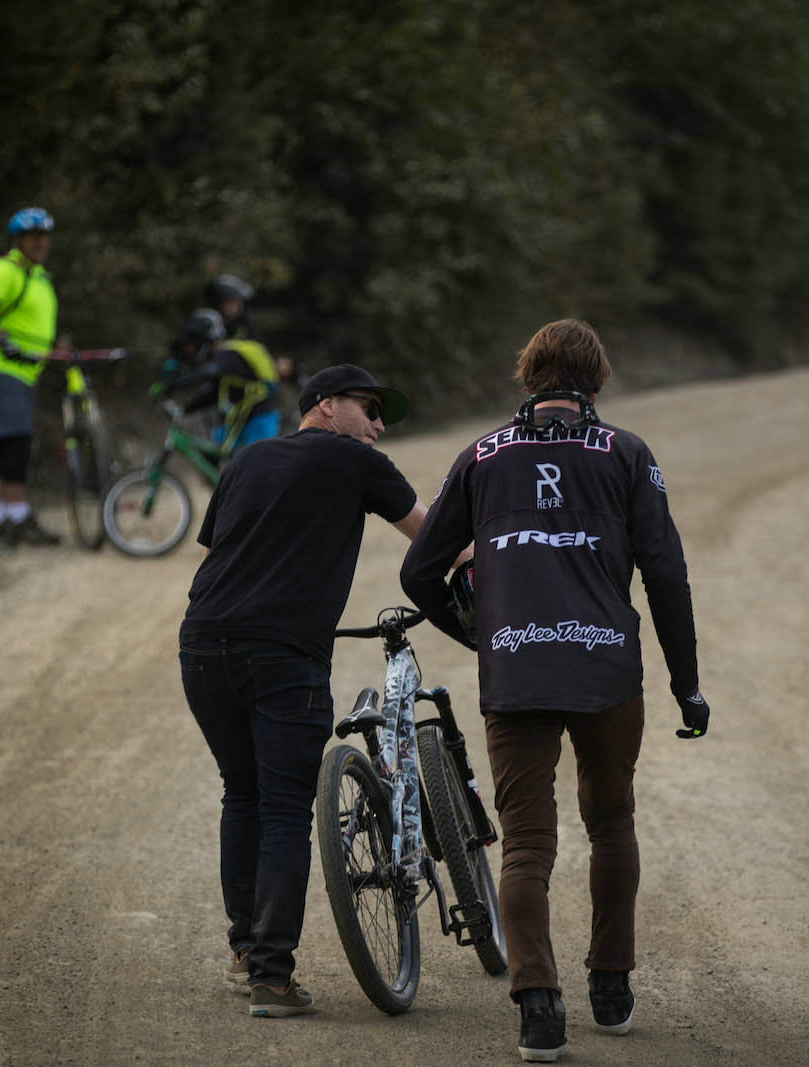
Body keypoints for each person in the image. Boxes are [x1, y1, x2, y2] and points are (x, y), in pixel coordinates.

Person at [399, 319, 708, 1062]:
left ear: (528, 377)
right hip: (606, 670)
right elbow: (665, 573)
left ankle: (538, 1007)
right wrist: (686, 683)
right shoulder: (628, 454)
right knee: (611, 821)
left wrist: (477, 630)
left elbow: (417, 574)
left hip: (517, 668)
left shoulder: (480, 456)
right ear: (596, 379)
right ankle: (611, 987)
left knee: (527, 846)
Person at [179, 364, 427, 1018]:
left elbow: (208, 561)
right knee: (286, 804)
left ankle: (244, 953)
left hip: (202, 644)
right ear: (323, 404)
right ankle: (272, 976)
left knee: (244, 791)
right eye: (369, 408)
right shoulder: (355, 462)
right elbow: (432, 538)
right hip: (282, 654)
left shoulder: (246, 461)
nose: (377, 424)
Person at [0, 207, 66, 546]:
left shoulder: (40, 277)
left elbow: (32, 326)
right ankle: (10, 520)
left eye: (44, 236)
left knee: (13, 442)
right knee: (16, 441)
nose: (40, 243)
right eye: (33, 237)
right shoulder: (4, 270)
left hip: (22, 374)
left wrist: (52, 350)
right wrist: (3, 342)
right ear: (17, 240)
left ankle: (7, 518)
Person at [155, 308, 278, 451]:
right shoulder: (222, 362)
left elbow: (207, 372)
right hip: (238, 421)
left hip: (259, 420)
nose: (192, 353)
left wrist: (175, 383)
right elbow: (212, 394)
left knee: (252, 468)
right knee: (211, 453)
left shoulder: (229, 356)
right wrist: (185, 410)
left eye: (193, 347)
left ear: (203, 343)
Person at [205, 275, 298, 443]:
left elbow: (257, 353)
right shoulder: (209, 325)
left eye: (238, 302)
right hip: (228, 401)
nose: (237, 307)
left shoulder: (244, 326)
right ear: (220, 303)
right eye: (232, 302)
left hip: (255, 404)